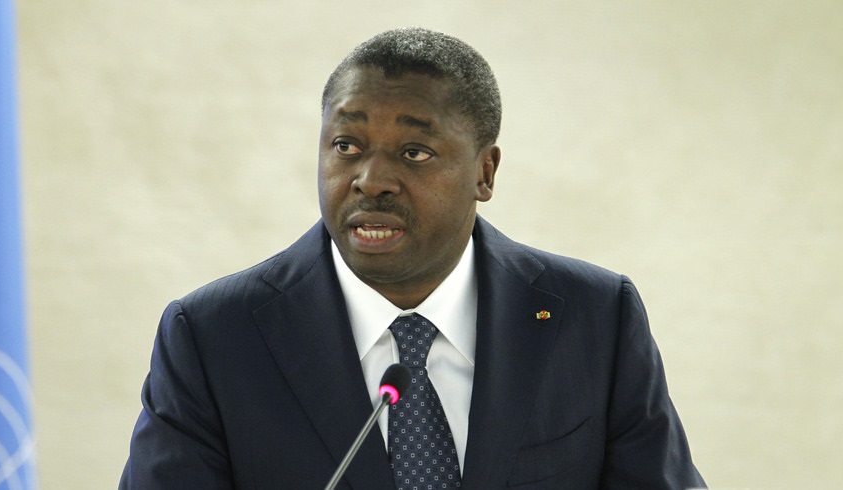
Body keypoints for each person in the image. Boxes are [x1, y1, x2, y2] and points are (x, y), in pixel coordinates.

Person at [120, 27, 705, 489]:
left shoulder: (593, 317)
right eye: (345, 146)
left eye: (415, 152)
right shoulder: (213, 336)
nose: (370, 181)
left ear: (484, 171)